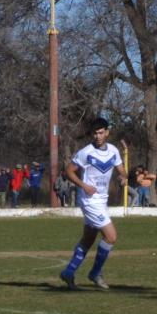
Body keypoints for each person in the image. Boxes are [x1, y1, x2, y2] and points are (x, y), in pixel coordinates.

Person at [59, 117, 128, 290]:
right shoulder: (86, 152)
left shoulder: (113, 151)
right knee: (111, 236)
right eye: (95, 133)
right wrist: (84, 185)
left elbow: (122, 170)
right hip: (89, 200)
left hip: (102, 200)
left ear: (107, 132)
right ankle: (95, 272)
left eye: (101, 132)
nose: (98, 136)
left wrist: (123, 177)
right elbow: (69, 171)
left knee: (88, 239)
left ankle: (68, 272)